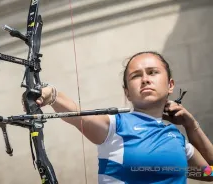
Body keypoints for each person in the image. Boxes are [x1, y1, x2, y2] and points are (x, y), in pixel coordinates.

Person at [38, 51, 213, 183]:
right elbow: (77, 115)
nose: (145, 79)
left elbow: (210, 173)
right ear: (127, 93)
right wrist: (50, 93)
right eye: (136, 76)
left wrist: (191, 125)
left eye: (152, 72)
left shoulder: (176, 139)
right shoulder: (115, 126)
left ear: (170, 85)